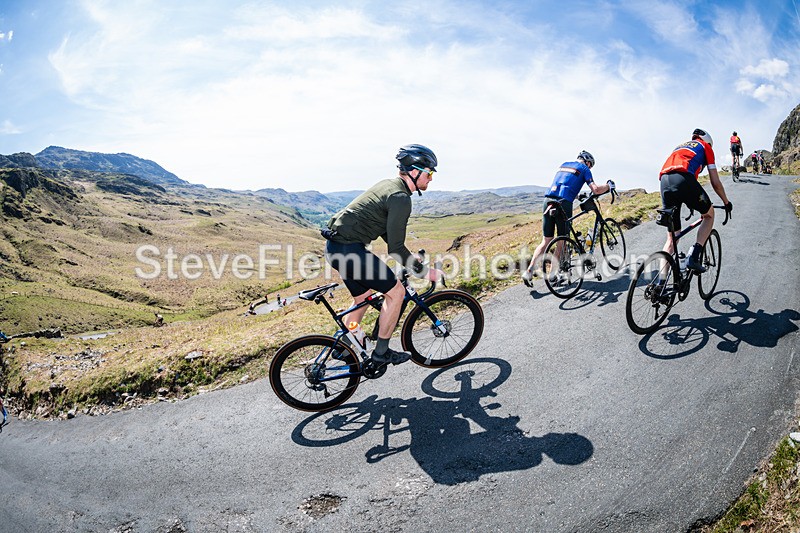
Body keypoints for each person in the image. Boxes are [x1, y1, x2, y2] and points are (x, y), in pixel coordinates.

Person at [323, 144, 444, 365]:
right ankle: (381, 353)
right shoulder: (400, 197)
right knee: (396, 293)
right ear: (415, 171)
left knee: (363, 298)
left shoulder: (389, 185)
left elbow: (388, 235)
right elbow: (395, 249)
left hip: (335, 249)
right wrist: (425, 272)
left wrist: (409, 261)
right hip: (350, 250)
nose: (431, 178)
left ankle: (344, 348)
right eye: (430, 173)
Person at [521, 150, 614, 286]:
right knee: (562, 240)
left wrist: (577, 195)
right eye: (590, 166)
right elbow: (595, 190)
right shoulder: (584, 168)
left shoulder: (564, 165)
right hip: (563, 203)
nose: (590, 168)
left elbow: (564, 184)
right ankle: (552, 275)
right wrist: (608, 186)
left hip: (547, 200)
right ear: (588, 162)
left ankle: (528, 272)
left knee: (546, 240)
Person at [659, 128, 732, 272]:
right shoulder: (706, 147)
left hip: (664, 181)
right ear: (708, 142)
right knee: (709, 215)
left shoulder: (680, 146)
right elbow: (715, 182)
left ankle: (660, 285)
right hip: (683, 178)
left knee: (672, 238)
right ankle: (694, 256)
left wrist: (691, 202)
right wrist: (726, 202)